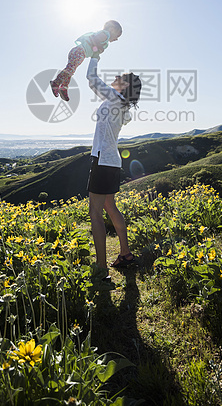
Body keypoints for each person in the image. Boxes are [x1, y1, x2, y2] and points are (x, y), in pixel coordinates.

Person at [86, 55, 142, 280]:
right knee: (110, 206)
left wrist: (94, 55)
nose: (116, 77)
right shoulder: (124, 107)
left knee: (95, 213)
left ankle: (101, 269)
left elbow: (91, 78)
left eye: (120, 76)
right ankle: (125, 254)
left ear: (125, 85)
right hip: (113, 162)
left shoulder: (115, 98)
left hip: (102, 160)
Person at [50, 20, 122, 102]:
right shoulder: (105, 34)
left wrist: (97, 52)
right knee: (70, 70)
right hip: (80, 51)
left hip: (80, 53)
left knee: (71, 70)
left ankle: (64, 87)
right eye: (117, 36)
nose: (116, 39)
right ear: (112, 29)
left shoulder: (105, 37)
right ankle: (56, 83)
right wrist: (98, 48)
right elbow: (94, 40)